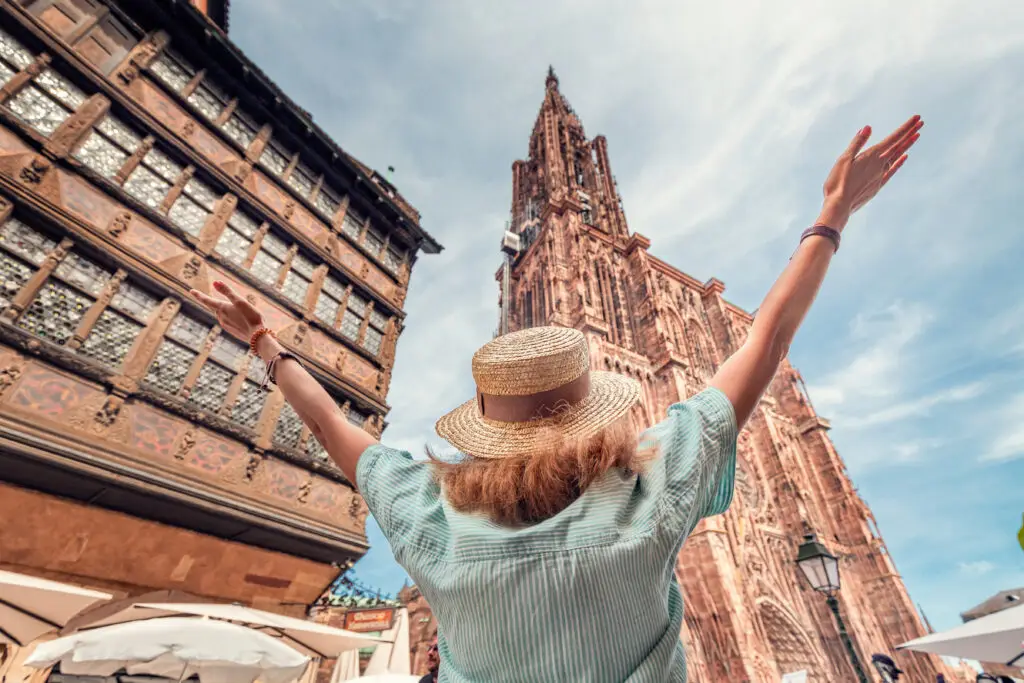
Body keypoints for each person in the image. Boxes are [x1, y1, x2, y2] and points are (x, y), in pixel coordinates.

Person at [192, 115, 922, 682]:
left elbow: (333, 429)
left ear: (488, 429)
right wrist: (831, 216)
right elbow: (766, 342)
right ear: (592, 414)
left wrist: (268, 346)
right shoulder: (649, 498)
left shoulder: (437, 527)